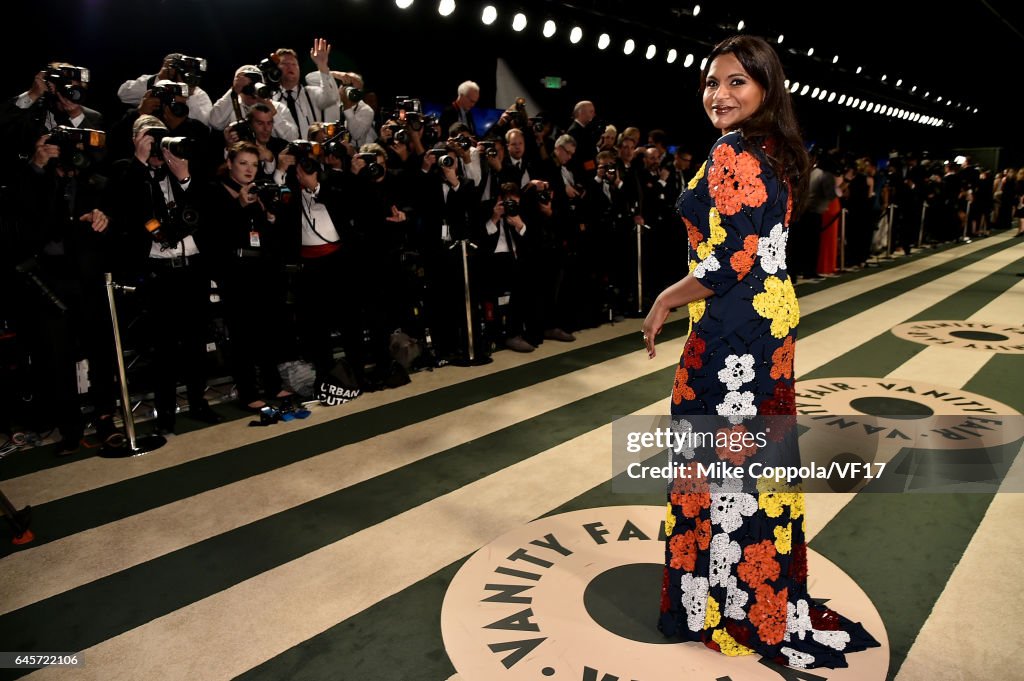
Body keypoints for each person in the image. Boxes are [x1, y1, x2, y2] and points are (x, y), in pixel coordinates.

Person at [641, 35, 879, 669]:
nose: (718, 95)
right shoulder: (773, 150)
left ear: (766, 88)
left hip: (731, 331)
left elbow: (730, 260)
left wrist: (665, 298)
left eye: (735, 82)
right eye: (711, 83)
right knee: (751, 466)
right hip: (765, 325)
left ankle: (719, 604)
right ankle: (752, 597)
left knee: (715, 460)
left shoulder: (732, 151)